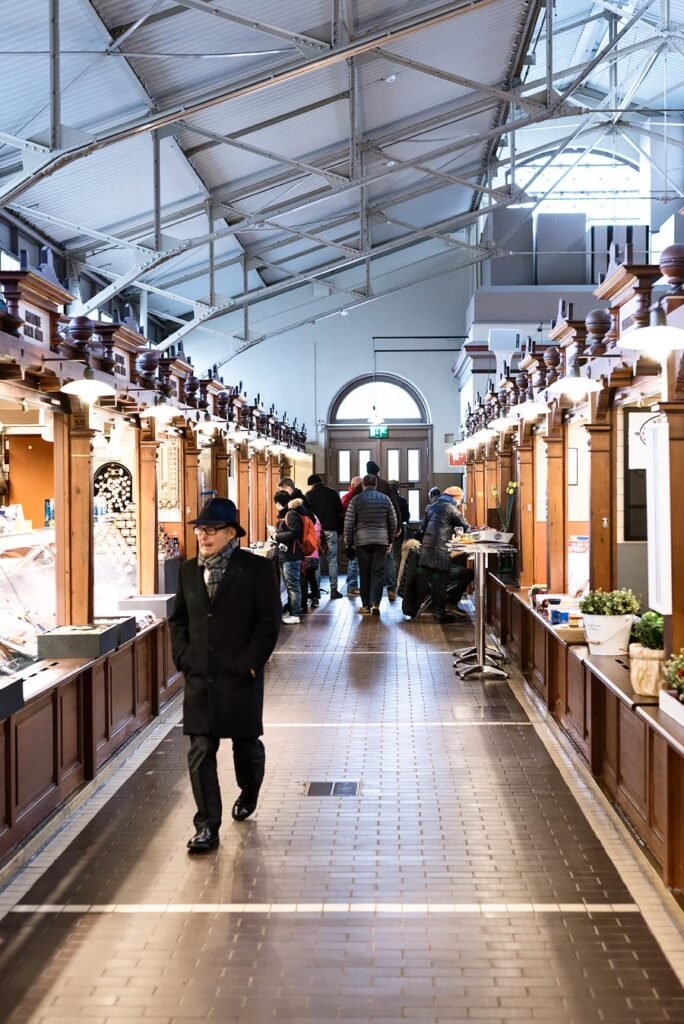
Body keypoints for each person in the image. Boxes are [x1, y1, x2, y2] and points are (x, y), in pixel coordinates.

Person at [169, 497, 281, 853]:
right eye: (200, 530)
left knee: (246, 746)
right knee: (201, 749)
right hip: (201, 675)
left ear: (231, 532)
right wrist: (184, 658)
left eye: (211, 530)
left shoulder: (256, 569)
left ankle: (249, 791)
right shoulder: (187, 571)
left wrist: (251, 662)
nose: (203, 536)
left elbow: (268, 622)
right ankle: (206, 826)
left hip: (239, 674)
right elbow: (179, 620)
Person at [344, 474, 397, 615]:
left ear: (363, 485)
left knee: (365, 573)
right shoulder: (385, 499)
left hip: (362, 542)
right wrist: (390, 540)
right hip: (381, 541)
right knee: (378, 573)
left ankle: (365, 605)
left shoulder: (356, 500)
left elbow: (348, 523)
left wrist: (348, 543)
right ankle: (375, 604)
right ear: (376, 485)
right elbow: (393, 521)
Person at [418, 485, 472, 623]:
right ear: (456, 498)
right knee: (454, 577)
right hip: (440, 553)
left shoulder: (431, 506)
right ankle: (443, 611)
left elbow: (422, 528)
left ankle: (443, 609)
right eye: (460, 500)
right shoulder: (451, 508)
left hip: (426, 553)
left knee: (438, 581)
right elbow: (466, 527)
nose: (460, 503)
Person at [350, 460, 402, 601]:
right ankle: (389, 591)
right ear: (378, 471)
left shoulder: (359, 489)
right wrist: (396, 530)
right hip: (382, 535)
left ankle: (366, 603)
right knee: (385, 564)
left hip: (362, 536)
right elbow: (394, 509)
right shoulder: (385, 486)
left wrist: (349, 540)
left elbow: (350, 514)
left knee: (365, 571)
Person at [306, 473, 344, 599]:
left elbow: (307, 515)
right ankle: (334, 590)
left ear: (312, 485)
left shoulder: (309, 495)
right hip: (331, 530)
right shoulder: (333, 493)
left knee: (316, 560)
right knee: (332, 560)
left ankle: (316, 591)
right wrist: (340, 531)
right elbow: (340, 514)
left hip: (316, 532)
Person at [274, 489, 305, 624]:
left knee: (293, 585)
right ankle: (292, 611)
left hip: (291, 556)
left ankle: (295, 614)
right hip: (286, 555)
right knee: (290, 585)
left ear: (279, 503)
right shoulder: (288, 514)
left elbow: (295, 533)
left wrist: (276, 536)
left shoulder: (291, 514)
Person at [341, 475, 362, 595]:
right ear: (354, 485)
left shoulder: (346, 497)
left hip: (350, 530)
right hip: (354, 530)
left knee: (352, 558)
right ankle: (353, 585)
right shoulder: (354, 498)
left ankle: (350, 582)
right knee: (355, 559)